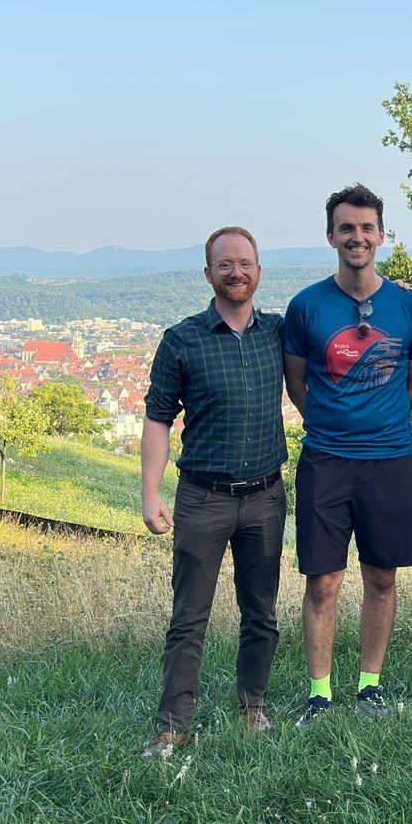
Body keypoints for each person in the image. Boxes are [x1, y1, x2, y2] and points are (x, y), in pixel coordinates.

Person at [282, 183, 412, 727]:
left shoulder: (409, 306)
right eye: (347, 228)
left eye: (367, 228)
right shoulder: (306, 305)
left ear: (382, 235)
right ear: (330, 236)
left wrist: (380, 417)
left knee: (383, 577)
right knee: (322, 580)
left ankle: (369, 687)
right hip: (326, 457)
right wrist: (334, 419)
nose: (357, 237)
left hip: (391, 458)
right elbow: (298, 383)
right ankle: (319, 694)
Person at [138, 226, 287, 757]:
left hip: (267, 496)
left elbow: (342, 326)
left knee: (261, 612)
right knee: (189, 618)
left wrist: (396, 296)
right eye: (225, 264)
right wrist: (150, 492)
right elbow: (157, 418)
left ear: (259, 271)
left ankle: (253, 709)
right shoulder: (182, 339)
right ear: (208, 273)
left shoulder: (278, 333)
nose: (236, 272)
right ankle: (175, 725)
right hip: (202, 497)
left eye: (245, 263)